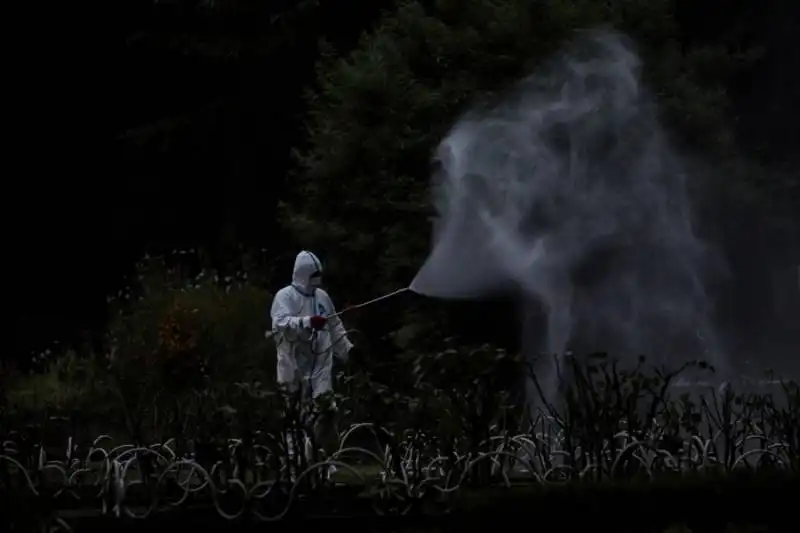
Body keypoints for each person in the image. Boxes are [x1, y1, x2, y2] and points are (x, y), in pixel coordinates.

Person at [269, 250, 355, 476]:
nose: (317, 280)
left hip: (320, 367)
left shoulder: (322, 298)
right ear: (303, 274)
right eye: (313, 275)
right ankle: (295, 464)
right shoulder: (284, 297)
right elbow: (281, 324)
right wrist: (307, 322)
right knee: (295, 418)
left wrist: (348, 350)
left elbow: (335, 326)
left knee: (326, 412)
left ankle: (327, 462)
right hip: (293, 366)